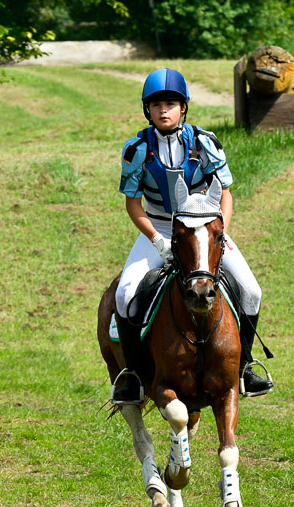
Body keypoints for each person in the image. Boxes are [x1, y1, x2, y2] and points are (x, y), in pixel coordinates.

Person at [112, 67, 273, 404]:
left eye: (170, 104)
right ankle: (135, 375)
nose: (163, 111)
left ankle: (245, 368)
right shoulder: (136, 148)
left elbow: (225, 193)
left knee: (251, 290)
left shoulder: (205, 142)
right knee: (125, 293)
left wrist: (220, 231)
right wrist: (157, 238)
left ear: (183, 107)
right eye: (156, 105)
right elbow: (133, 203)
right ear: (147, 110)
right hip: (160, 227)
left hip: (203, 228)